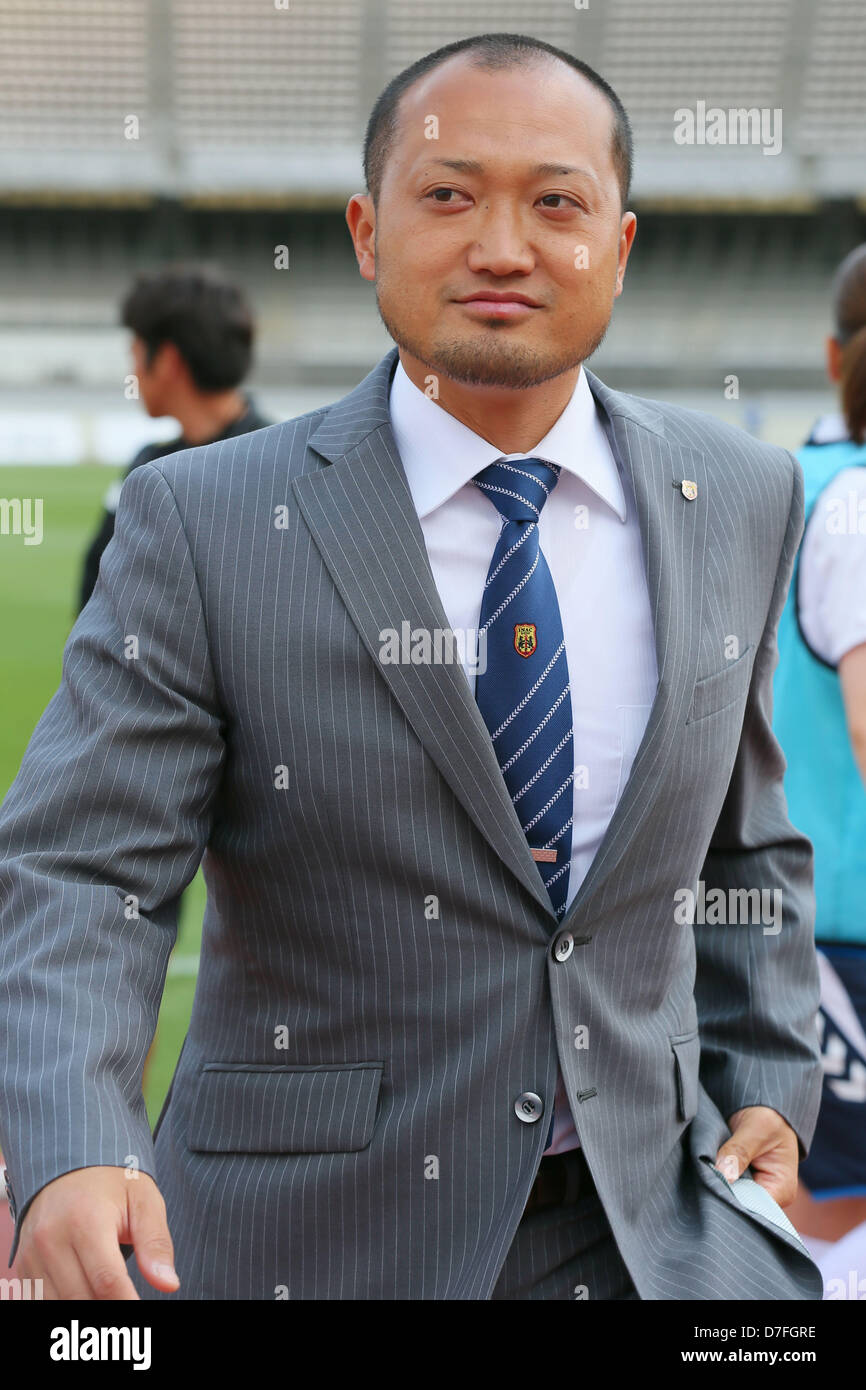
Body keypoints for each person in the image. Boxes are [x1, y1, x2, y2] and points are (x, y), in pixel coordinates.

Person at [0, 32, 823, 1301]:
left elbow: (741, 845)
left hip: (657, 1233)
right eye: (447, 195)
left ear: (619, 244)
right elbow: (78, 866)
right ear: (365, 232)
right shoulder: (203, 519)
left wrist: (765, 1077)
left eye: (556, 201)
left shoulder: (741, 495)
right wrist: (74, 1144)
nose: (502, 245)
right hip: (311, 1240)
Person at [772, 244, 866, 1292]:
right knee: (813, 1218)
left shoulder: (797, 481)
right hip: (838, 931)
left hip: (798, 917)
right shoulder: (846, 501)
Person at [78, 263, 271, 614]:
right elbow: (96, 591)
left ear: (167, 361)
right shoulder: (146, 464)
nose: (132, 373)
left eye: (134, 355)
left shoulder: (277, 465)